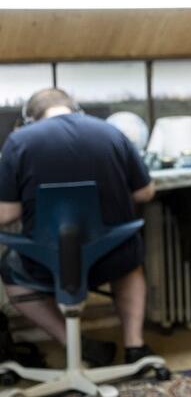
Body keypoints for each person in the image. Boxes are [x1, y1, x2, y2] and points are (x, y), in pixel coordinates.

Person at [0, 88, 157, 366]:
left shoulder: (19, 141)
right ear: (76, 108)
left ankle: (73, 344)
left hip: (46, 263)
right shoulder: (111, 133)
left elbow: (7, 213)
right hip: (110, 256)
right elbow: (145, 193)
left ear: (29, 119)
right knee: (130, 261)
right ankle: (136, 346)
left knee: (11, 270)